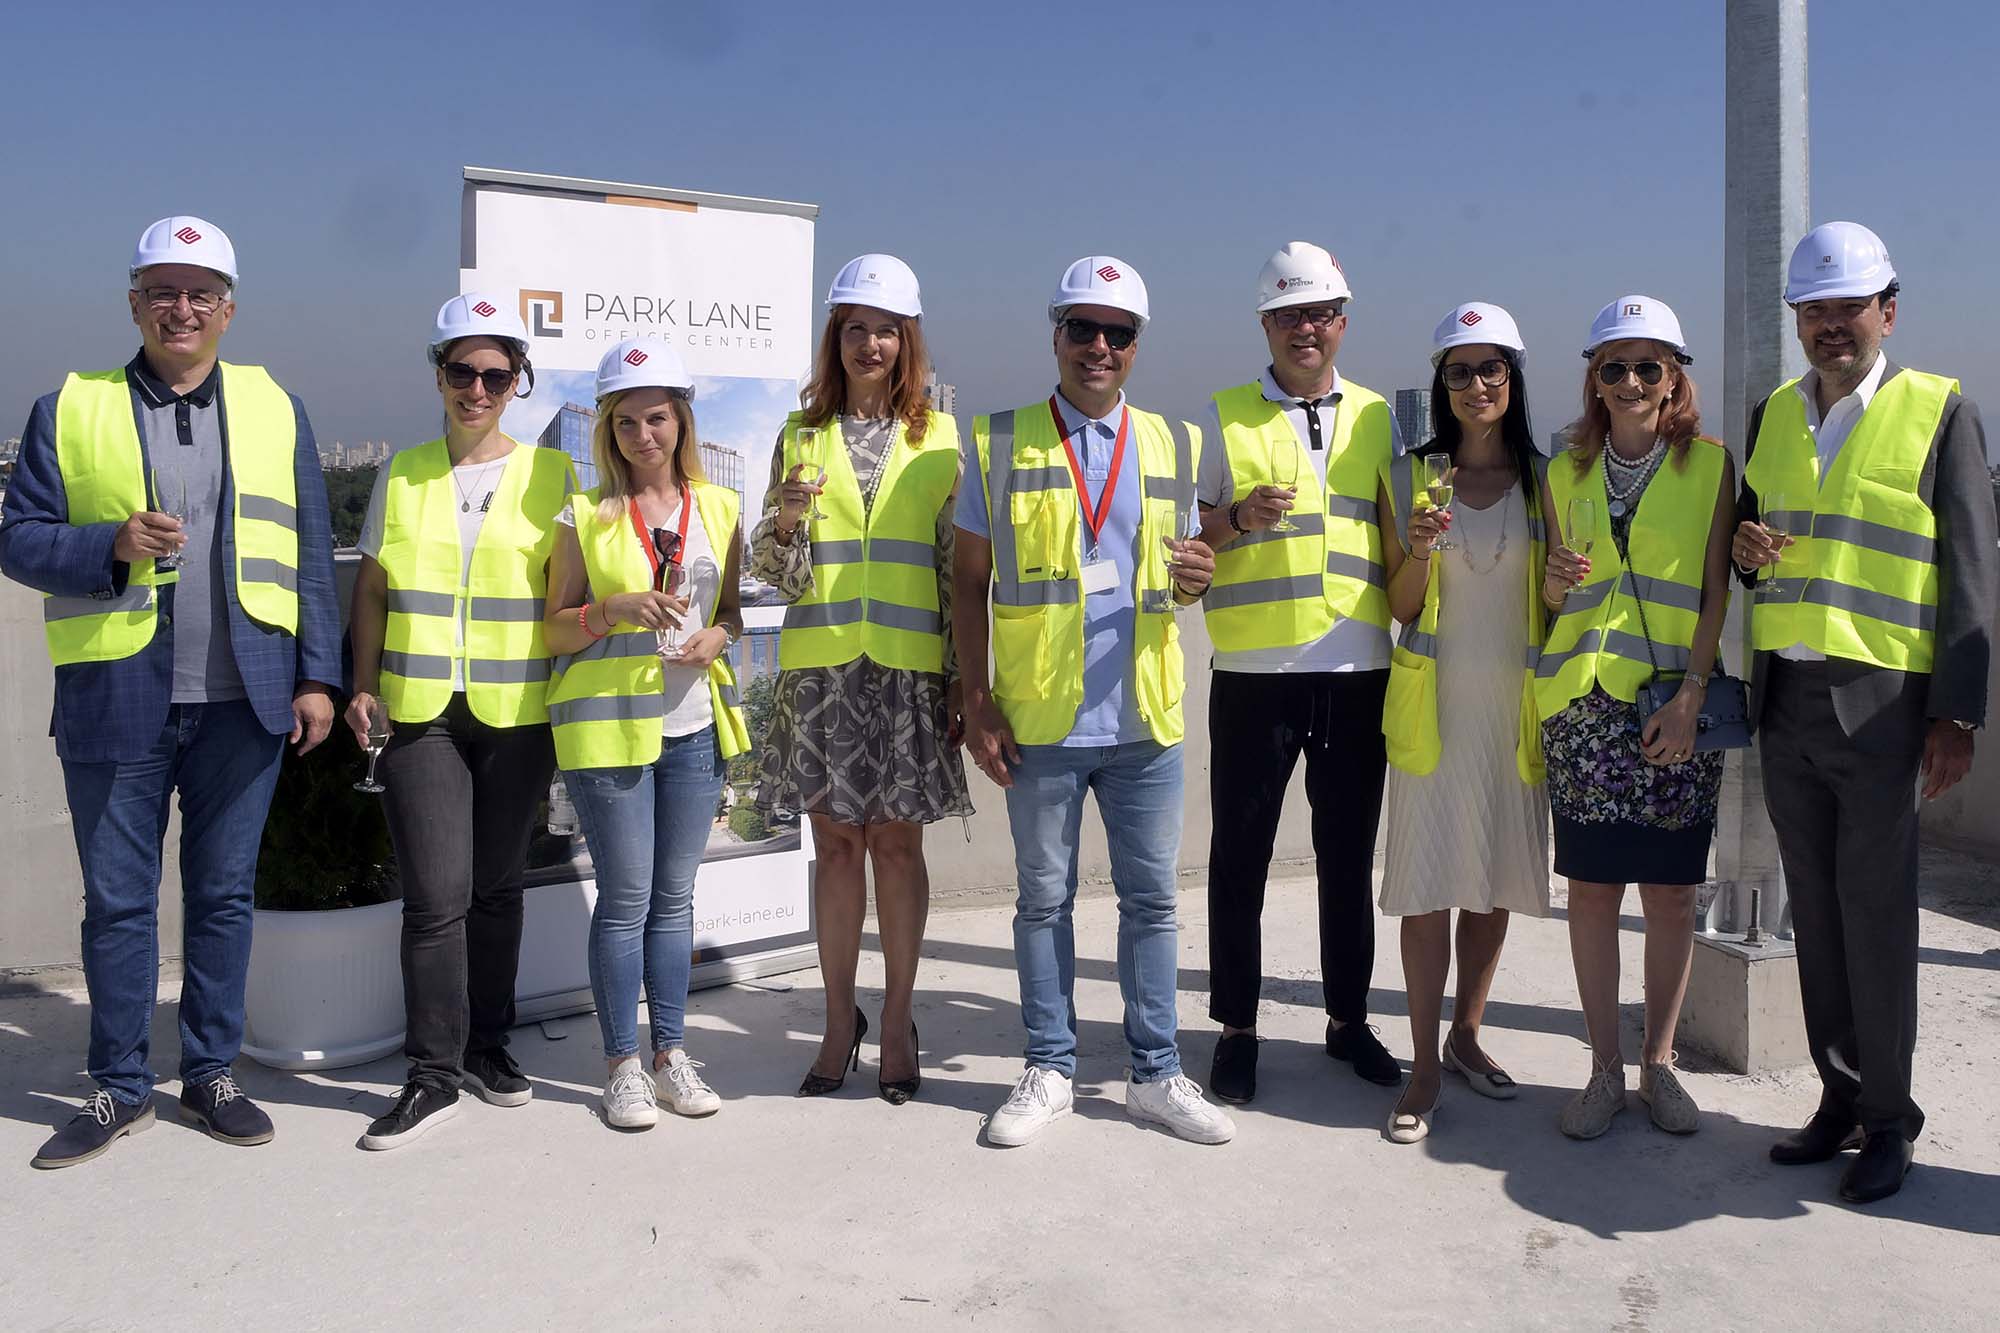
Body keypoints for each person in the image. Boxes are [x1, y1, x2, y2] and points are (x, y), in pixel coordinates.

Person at [1, 217, 340, 1169]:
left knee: (223, 895)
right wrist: (107, 545)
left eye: (199, 293)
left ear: (227, 309)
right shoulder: (68, 407)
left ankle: (210, 1072)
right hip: (116, 696)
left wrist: (318, 676)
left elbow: (312, 550)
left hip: (245, 698)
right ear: (133, 303)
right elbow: (17, 537)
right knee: (118, 903)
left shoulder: (277, 409)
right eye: (161, 290)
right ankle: (117, 1086)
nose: (179, 308)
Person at [1734, 222, 1996, 1203]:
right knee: (1814, 914)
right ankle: (1839, 1098)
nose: (1829, 325)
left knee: (1876, 916)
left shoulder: (1938, 411)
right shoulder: (1771, 413)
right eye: (1813, 310)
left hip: (1885, 706)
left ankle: (1890, 1119)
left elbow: (1969, 567)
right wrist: (1744, 552)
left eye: (1847, 307)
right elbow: (1755, 542)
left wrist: (1955, 715)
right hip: (1787, 700)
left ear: (1888, 310)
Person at [955, 255, 1234, 1147]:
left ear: (1136, 346)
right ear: (1057, 336)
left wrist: (1195, 577)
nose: (1100, 347)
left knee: (1153, 903)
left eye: (1118, 333)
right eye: (1083, 328)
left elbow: (1179, 575)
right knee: (1043, 902)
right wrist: (976, 698)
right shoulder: (998, 441)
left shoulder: (1174, 442)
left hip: (1144, 718)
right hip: (1040, 720)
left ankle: (1155, 1073)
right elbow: (968, 581)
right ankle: (1050, 1067)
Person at [344, 294, 571, 1150]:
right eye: (461, 371)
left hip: (517, 713)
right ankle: (432, 1073)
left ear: (518, 382)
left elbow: (568, 598)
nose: (477, 388)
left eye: (495, 375)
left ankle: (486, 1045)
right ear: (437, 375)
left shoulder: (553, 477)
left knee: (498, 887)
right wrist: (362, 684)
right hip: (419, 713)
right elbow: (372, 588)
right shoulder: (401, 473)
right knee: (436, 898)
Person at [749, 254, 970, 1103]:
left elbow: (956, 571)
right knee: (837, 847)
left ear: (907, 342)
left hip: (910, 673)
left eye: (885, 331)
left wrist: (962, 678)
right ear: (834, 339)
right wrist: (786, 523)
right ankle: (840, 1020)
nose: (869, 344)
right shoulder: (799, 436)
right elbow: (774, 572)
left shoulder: (942, 437)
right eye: (854, 329)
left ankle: (900, 1015)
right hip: (822, 670)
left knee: (898, 846)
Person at [1195, 242, 1403, 1104]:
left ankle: (1348, 1019)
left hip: (1357, 666)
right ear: (1265, 324)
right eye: (1287, 315)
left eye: (1318, 314)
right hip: (1255, 670)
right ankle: (1237, 1029)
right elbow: (1193, 536)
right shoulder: (1224, 416)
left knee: (1347, 856)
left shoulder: (1381, 417)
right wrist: (1237, 518)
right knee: (1239, 854)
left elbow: (1402, 531)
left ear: (1342, 322)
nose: (1304, 329)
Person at [1538, 296, 1734, 1141]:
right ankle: (1603, 1069)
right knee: (1591, 892)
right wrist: (1554, 584)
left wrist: (1693, 694)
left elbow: (1717, 590)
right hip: (1582, 707)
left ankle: (1659, 1064)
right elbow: (1553, 600)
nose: (1630, 381)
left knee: (1672, 893)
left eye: (1648, 366)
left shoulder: (1711, 466)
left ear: (1674, 377)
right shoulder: (1562, 470)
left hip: (1672, 708)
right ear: (1594, 378)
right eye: (1612, 366)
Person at [543, 339, 749, 1131]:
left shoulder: (720, 507)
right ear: (608, 429)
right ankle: (621, 1066)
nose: (643, 435)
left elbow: (731, 611)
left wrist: (719, 637)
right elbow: (555, 630)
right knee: (626, 900)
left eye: (656, 418)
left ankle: (671, 1053)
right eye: (626, 422)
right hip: (609, 733)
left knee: (674, 899)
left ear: (682, 420)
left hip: (693, 729)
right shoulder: (585, 514)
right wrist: (611, 610)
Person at [1375, 304, 1551, 1144]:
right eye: (1459, 371)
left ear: (1513, 378)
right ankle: (1422, 1064)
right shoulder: (1409, 476)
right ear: (1440, 384)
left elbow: (1557, 603)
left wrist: (1564, 585)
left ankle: (1467, 1032)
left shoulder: (1547, 479)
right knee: (1426, 887)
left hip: (1512, 708)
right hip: (1433, 709)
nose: (1476, 384)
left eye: (1491, 368)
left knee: (1493, 879)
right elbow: (1401, 607)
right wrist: (1417, 547)